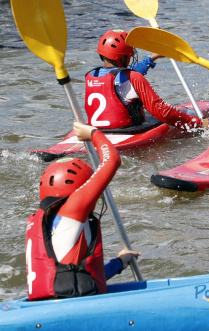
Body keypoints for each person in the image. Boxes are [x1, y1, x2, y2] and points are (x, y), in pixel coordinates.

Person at [26, 122, 140, 300]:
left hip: (53, 303)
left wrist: (119, 263)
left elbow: (76, 275)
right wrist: (93, 133)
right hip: (67, 305)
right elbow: (113, 160)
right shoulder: (73, 208)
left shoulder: (46, 221)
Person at [85, 30, 209, 132]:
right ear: (123, 57)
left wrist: (152, 57)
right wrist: (196, 122)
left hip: (98, 132)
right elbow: (161, 110)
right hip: (127, 131)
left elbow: (126, 74)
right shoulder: (133, 77)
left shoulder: (91, 76)